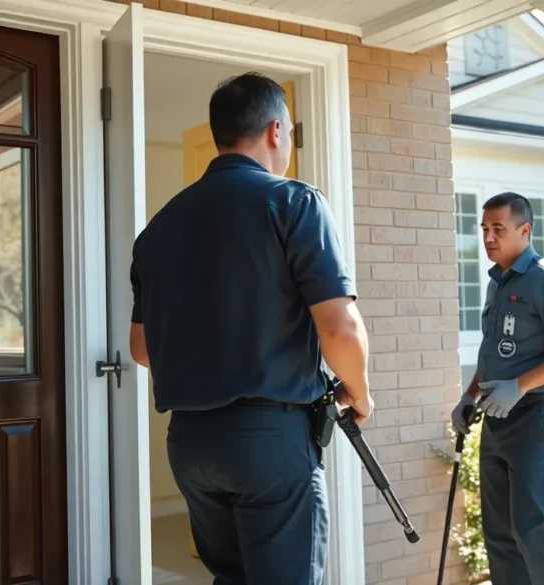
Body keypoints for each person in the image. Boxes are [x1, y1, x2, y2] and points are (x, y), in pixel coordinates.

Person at [128, 72, 373, 585]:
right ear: (276, 130)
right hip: (270, 440)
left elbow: (142, 348)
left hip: (191, 444)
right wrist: (360, 393)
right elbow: (340, 327)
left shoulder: (159, 227)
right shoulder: (294, 201)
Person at [451, 192, 544, 585]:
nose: (488, 237)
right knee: (499, 535)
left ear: (525, 230)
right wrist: (470, 395)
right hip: (497, 418)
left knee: (534, 531)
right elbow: (493, 351)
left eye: (498, 228)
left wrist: (519, 385)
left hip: (538, 418)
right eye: (484, 229)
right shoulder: (498, 283)